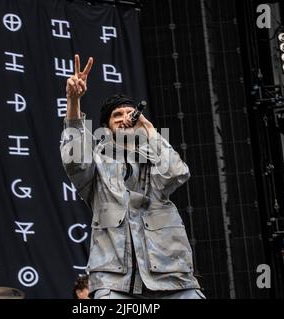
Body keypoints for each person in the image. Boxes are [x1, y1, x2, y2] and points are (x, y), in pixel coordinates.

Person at [60, 54, 204, 299]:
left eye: (130, 113)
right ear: (106, 128)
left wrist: (149, 130)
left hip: (170, 274)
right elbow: (74, 162)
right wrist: (73, 101)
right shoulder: (95, 159)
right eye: (117, 116)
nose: (125, 118)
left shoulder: (153, 154)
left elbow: (178, 173)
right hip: (114, 279)